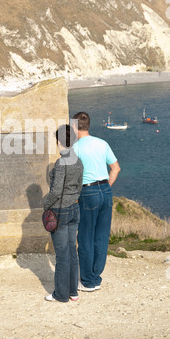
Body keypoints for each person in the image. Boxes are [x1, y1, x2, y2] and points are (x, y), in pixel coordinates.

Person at [73, 112, 121, 292]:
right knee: (101, 237)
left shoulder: (75, 149)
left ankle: (87, 281)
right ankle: (96, 277)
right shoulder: (103, 143)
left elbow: (71, 178)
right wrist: (106, 187)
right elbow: (116, 168)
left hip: (88, 191)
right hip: (105, 190)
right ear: (89, 125)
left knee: (85, 237)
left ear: (74, 126)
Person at [43, 124, 83, 303]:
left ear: (58, 141)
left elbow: (56, 191)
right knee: (72, 251)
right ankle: (73, 291)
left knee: (62, 254)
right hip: (75, 208)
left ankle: (60, 294)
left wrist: (45, 204)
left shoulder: (61, 163)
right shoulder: (77, 160)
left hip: (60, 211)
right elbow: (80, 186)